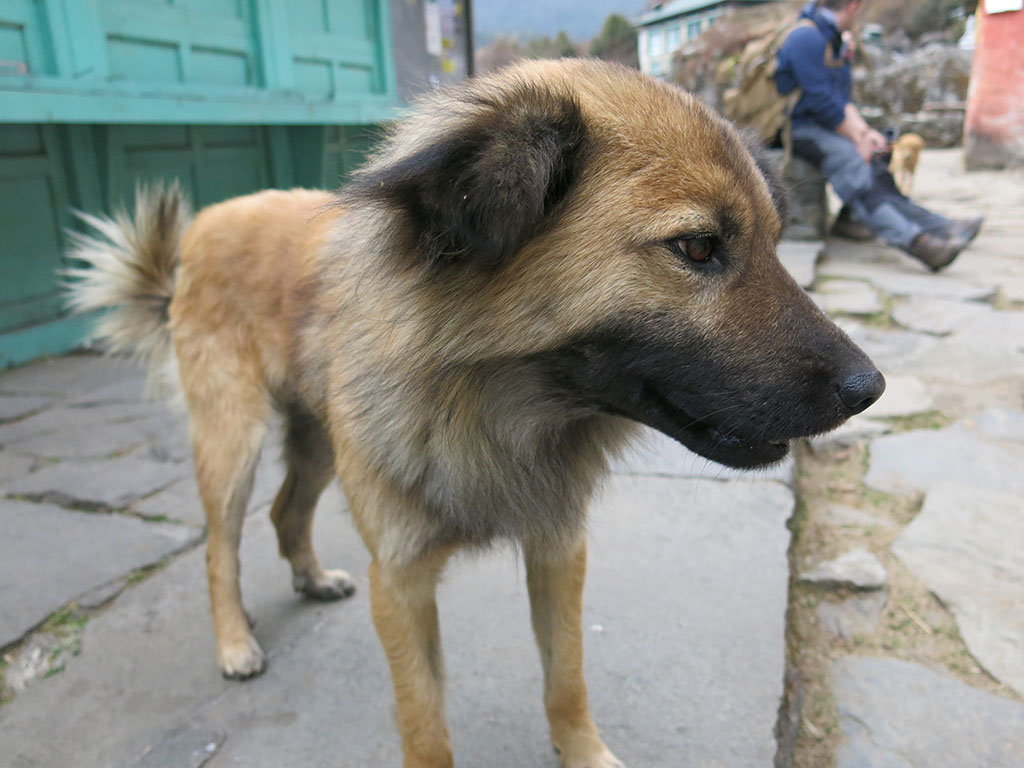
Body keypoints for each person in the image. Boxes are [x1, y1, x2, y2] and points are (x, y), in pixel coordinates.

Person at [775, 0, 983, 271]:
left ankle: (939, 226)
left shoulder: (832, 39)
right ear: (853, 7)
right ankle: (916, 242)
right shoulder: (806, 37)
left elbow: (841, 99)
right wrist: (856, 139)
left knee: (877, 158)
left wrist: (865, 134)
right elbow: (820, 101)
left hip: (824, 126)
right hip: (798, 130)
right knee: (851, 162)